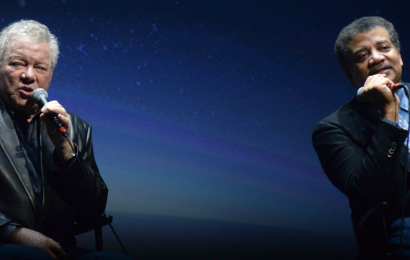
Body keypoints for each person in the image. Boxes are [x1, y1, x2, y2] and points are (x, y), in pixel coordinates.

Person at [0, 20, 130, 259]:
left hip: (62, 251)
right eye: (18, 63)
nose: (29, 75)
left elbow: (93, 213)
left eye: (41, 67)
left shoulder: (75, 128)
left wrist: (65, 150)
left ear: (50, 75)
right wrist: (14, 234)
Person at [312, 16, 410, 259]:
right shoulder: (332, 129)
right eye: (362, 55)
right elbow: (369, 192)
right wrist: (389, 116)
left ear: (400, 56)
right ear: (350, 75)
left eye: (384, 48)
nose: (376, 58)